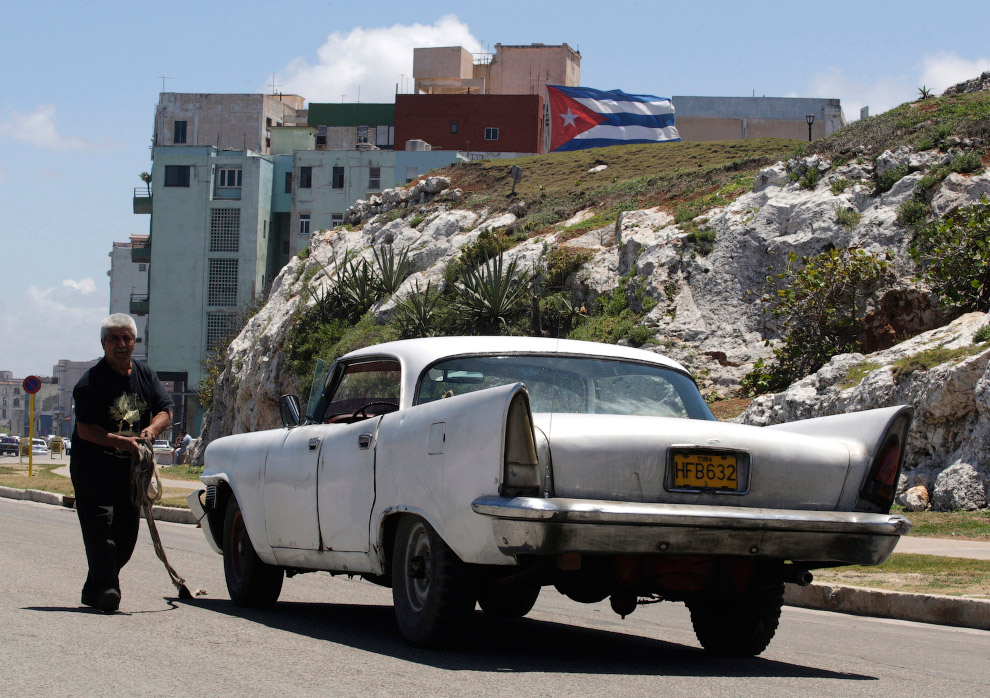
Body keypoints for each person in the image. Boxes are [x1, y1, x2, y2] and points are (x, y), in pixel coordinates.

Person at [69, 314, 173, 613]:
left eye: (127, 338)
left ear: (134, 342)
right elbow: (85, 429)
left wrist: (152, 430)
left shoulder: (145, 374)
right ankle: (108, 590)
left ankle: (94, 587)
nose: (121, 344)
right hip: (93, 468)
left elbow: (165, 408)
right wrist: (123, 442)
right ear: (104, 343)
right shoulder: (91, 382)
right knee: (101, 529)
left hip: (129, 472)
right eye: (114, 339)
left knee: (126, 535)